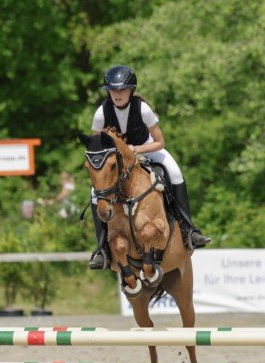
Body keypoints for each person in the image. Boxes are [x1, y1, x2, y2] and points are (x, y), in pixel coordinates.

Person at [88, 65, 211, 270]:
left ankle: (189, 229)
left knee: (175, 173)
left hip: (146, 147)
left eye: (122, 90)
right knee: (94, 192)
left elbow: (159, 142)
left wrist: (136, 150)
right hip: (117, 158)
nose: (117, 95)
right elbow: (96, 145)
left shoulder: (142, 109)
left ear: (131, 91)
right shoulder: (101, 112)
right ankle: (101, 248)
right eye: (113, 90)